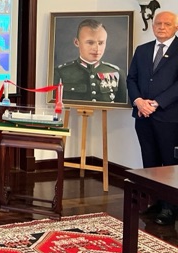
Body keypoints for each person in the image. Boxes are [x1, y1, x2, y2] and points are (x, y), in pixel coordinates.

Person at [126, 11, 178, 226]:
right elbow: (131, 79)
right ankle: (155, 202)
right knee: (150, 161)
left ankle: (169, 208)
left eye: (167, 24)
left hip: (169, 117)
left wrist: (156, 104)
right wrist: (138, 101)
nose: (162, 27)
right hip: (142, 115)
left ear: (176, 27)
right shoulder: (142, 50)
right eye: (158, 23)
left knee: (169, 162)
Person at [53, 19, 126, 103]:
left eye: (101, 43)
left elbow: (122, 106)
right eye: (90, 43)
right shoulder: (60, 73)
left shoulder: (117, 73)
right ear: (77, 42)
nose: (97, 48)